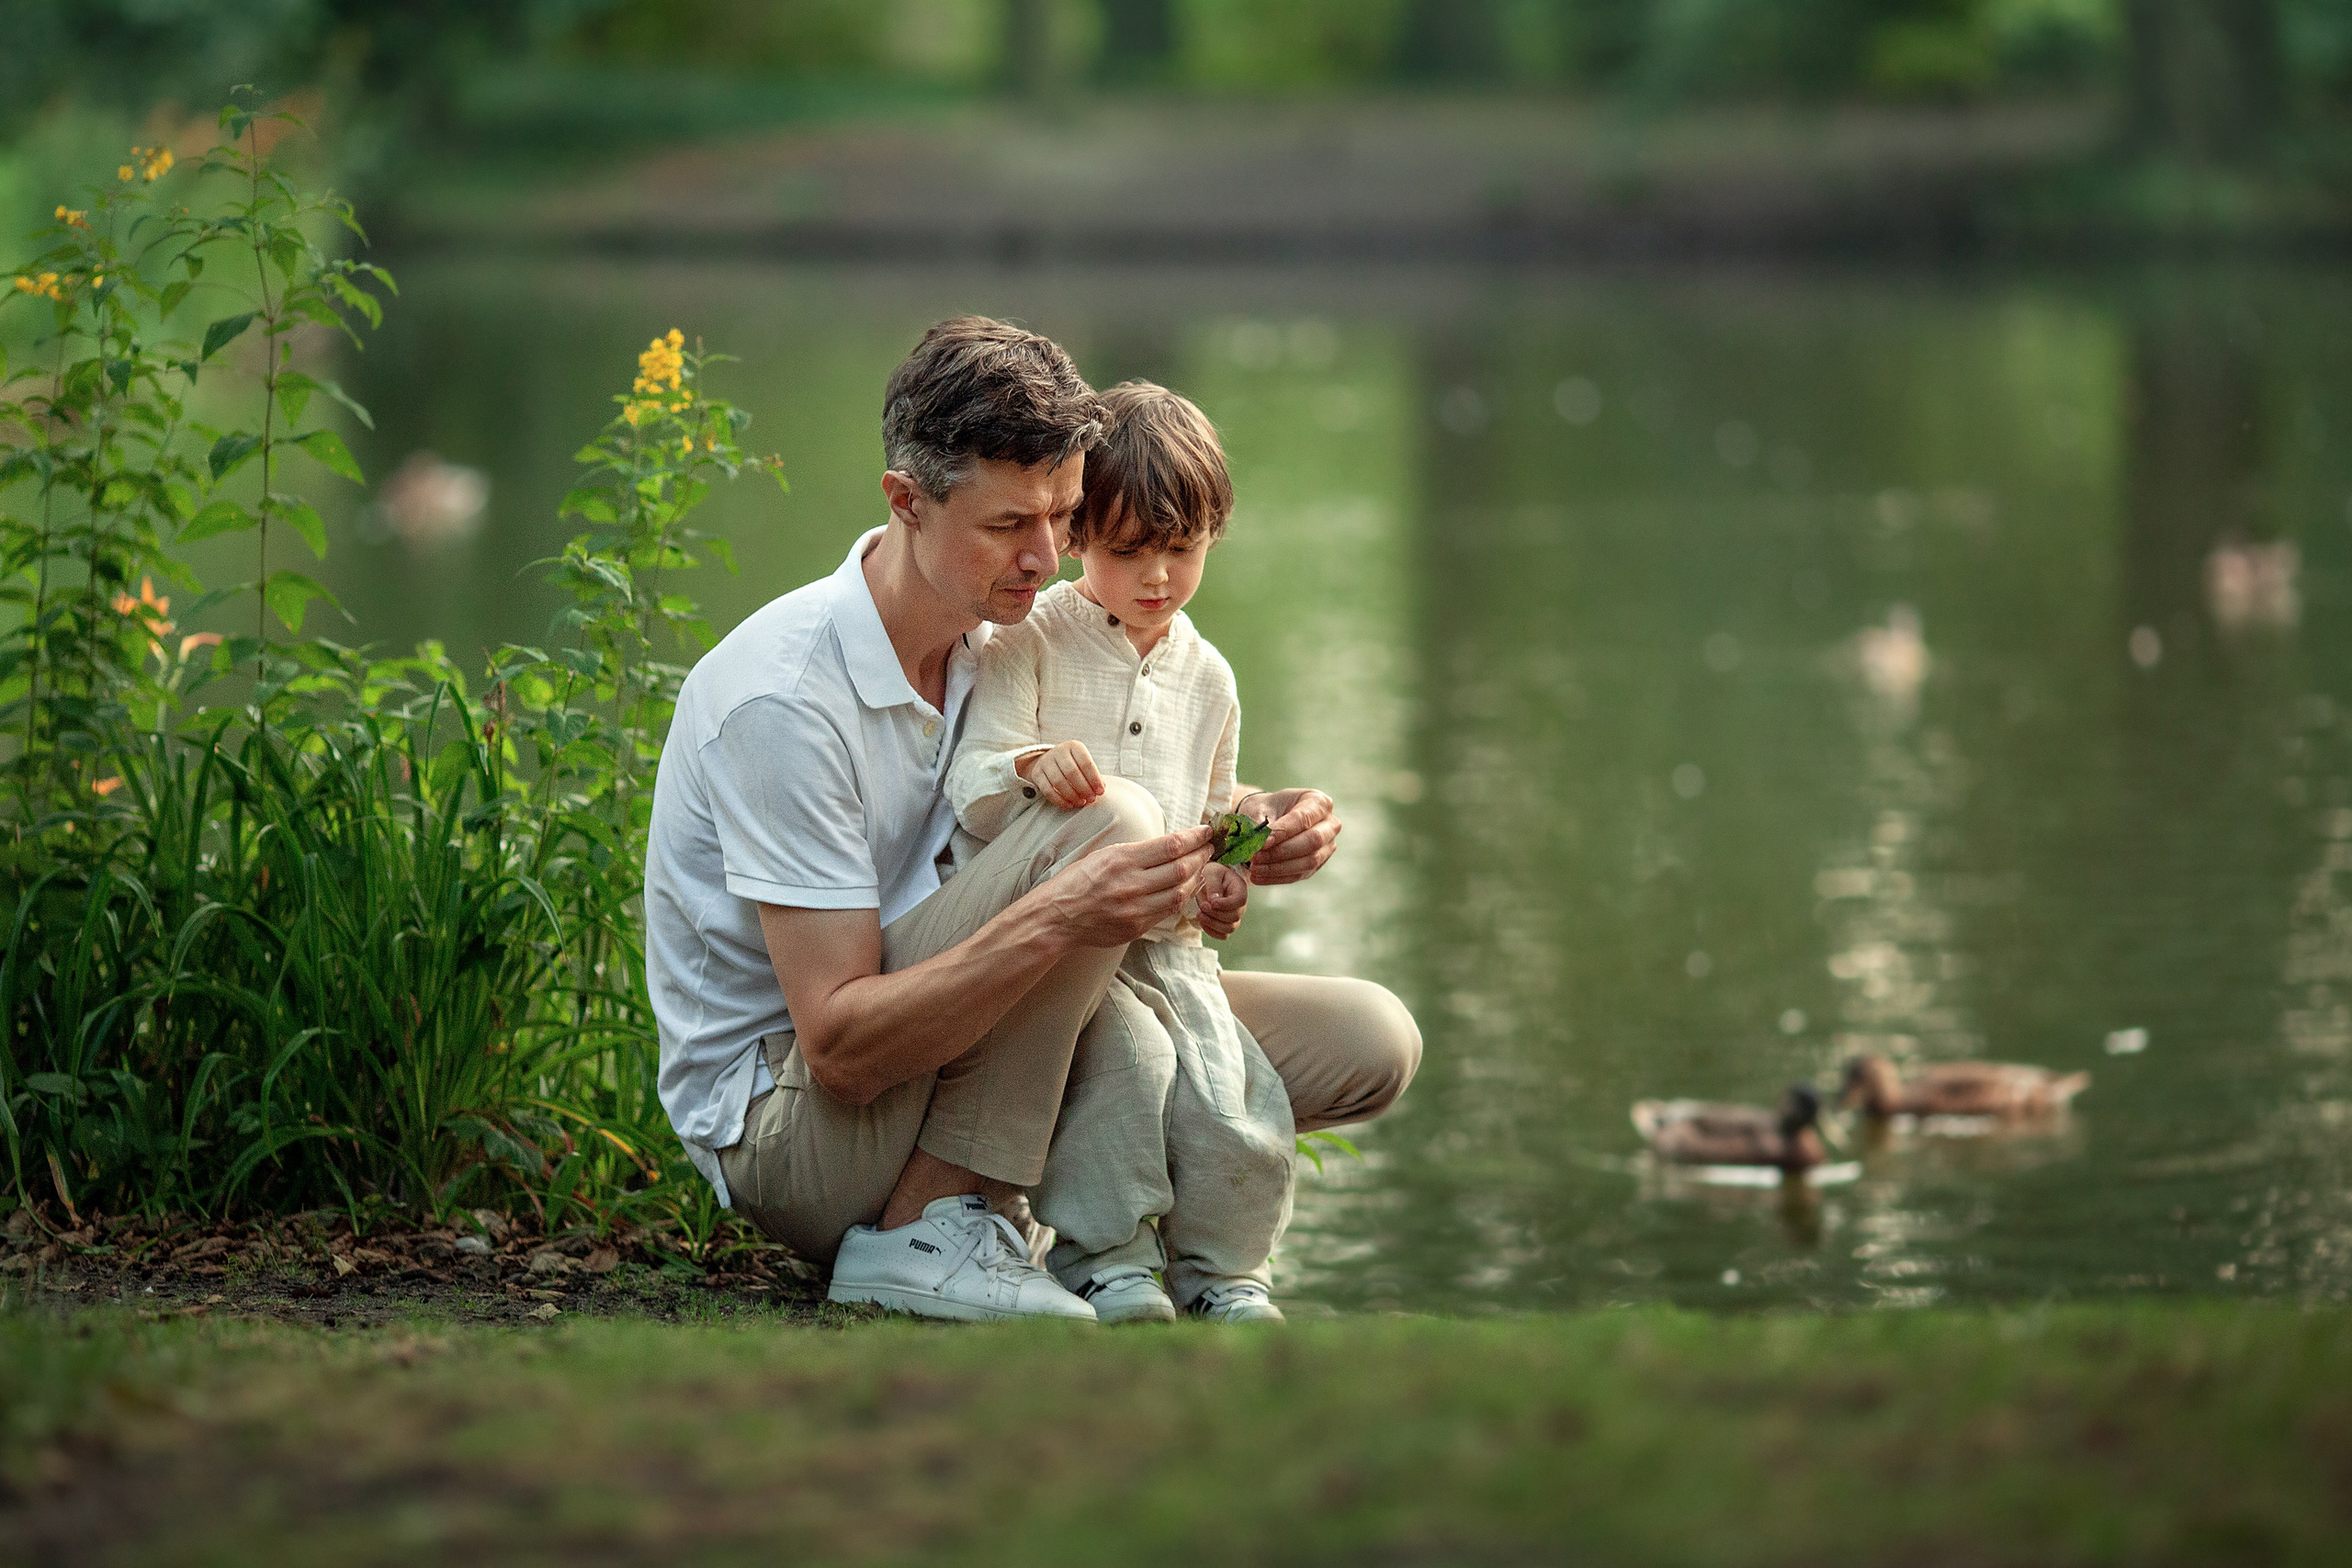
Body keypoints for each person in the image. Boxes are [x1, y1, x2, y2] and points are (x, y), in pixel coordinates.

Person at [645, 315, 1420, 1324]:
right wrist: (1069, 910)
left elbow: (1128, 788)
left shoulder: (1004, 637)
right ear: (906, 503)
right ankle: (932, 1226)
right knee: (1111, 830)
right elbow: (837, 1047)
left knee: (1369, 1039)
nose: (1049, 557)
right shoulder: (784, 701)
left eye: (1062, 515)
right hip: (804, 1129)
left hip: (974, 1037)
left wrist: (1247, 825)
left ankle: (1146, 1251)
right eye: (1010, 525)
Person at [945, 381, 1296, 1324]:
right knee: (1130, 1068)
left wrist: (1229, 877)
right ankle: (1103, 1260)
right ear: (1075, 540)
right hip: (1067, 943)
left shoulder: (1209, 676)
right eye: (1128, 551)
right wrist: (1030, 764)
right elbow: (973, 780)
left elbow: (1218, 815)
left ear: (1212, 536)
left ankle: (1223, 1273)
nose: (1156, 578)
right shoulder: (1033, 638)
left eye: (1181, 551)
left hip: (1168, 944)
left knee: (1232, 1095)